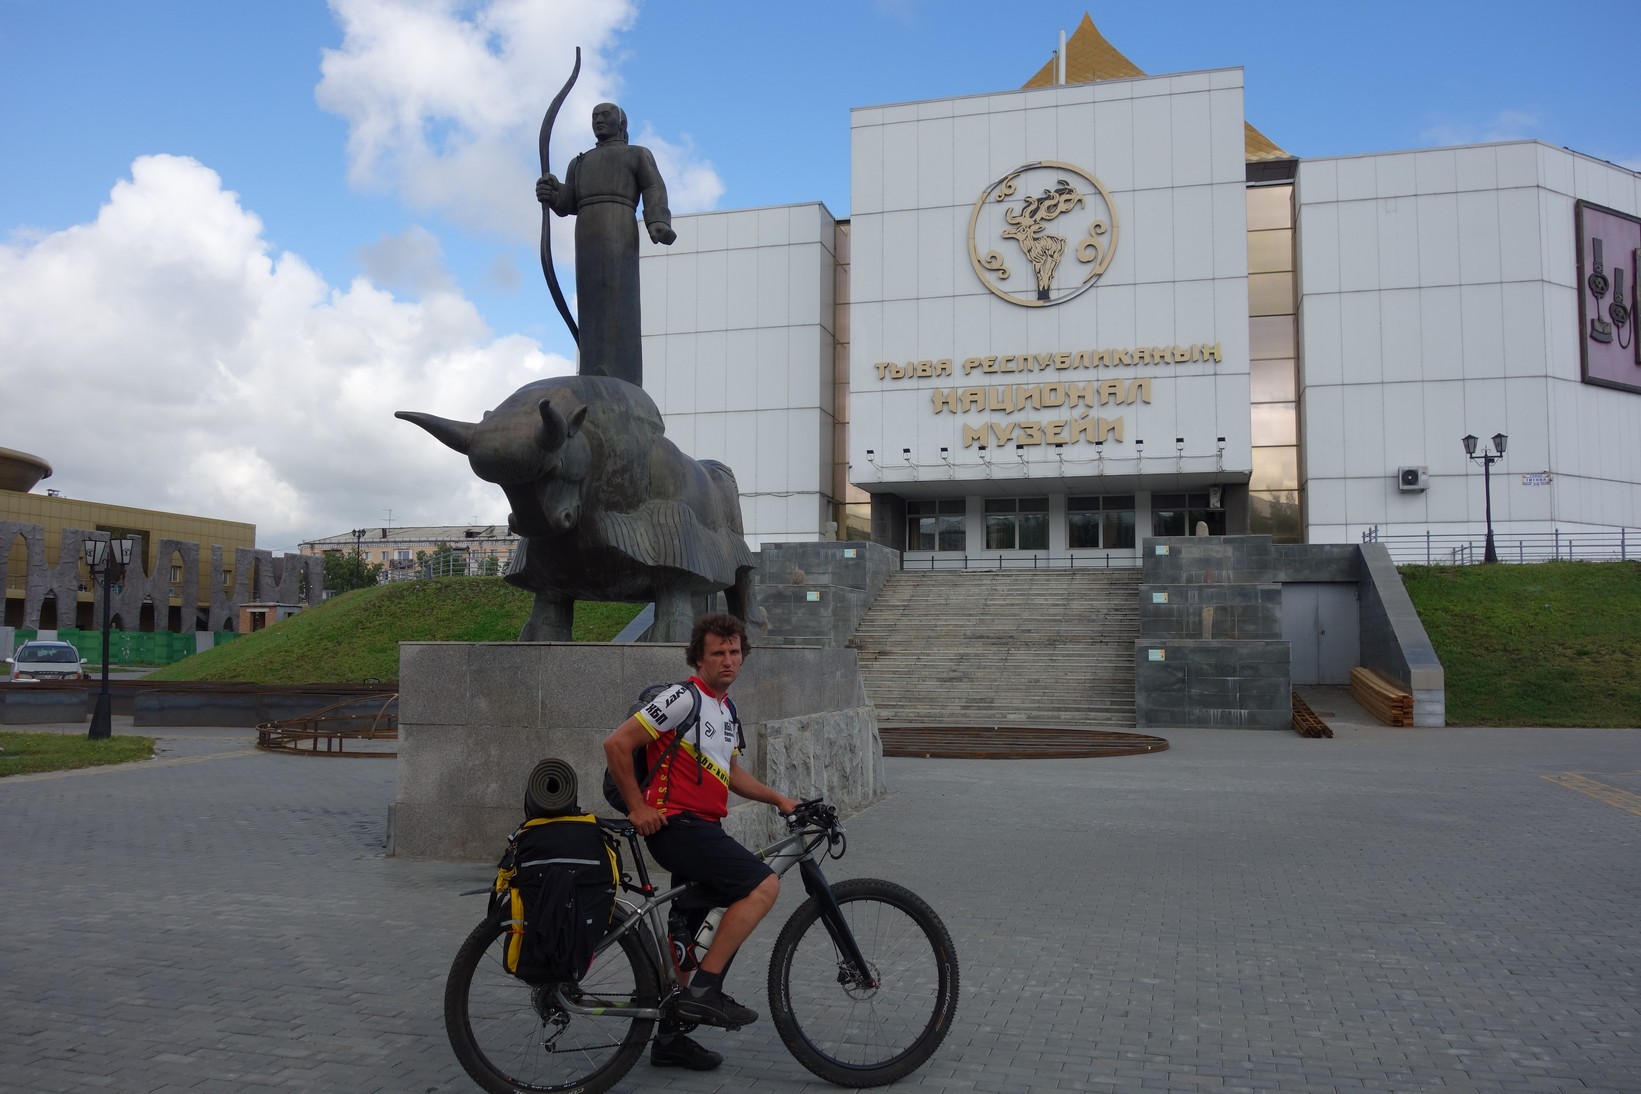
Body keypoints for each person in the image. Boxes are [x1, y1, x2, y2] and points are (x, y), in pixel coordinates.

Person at [602, 611, 800, 1072]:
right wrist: (637, 807)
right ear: (699, 657)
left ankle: (671, 1038)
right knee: (762, 886)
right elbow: (616, 743)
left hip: (703, 828)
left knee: (688, 937)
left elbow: (730, 775)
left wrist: (779, 799)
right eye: (718, 653)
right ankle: (707, 991)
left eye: (734, 652)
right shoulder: (681, 698)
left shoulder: (726, 710)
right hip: (677, 827)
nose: (728, 660)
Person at [537, 101, 675, 388]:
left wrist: (657, 220)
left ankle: (624, 377)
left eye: (605, 115)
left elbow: (653, 187)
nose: (599, 120)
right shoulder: (579, 161)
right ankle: (592, 368)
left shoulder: (636, 154)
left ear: (621, 122)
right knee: (590, 300)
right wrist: (552, 191)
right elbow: (568, 201)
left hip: (619, 226)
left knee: (618, 296)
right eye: (594, 116)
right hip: (586, 230)